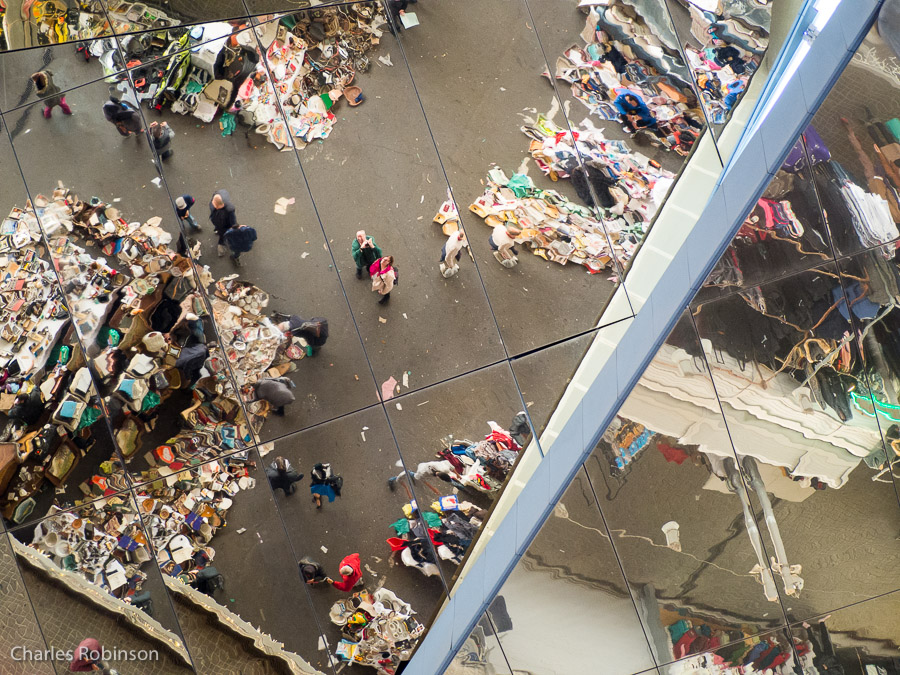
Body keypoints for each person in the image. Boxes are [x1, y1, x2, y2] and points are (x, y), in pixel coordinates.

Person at [209, 190, 237, 257]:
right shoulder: (216, 198)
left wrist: (233, 229)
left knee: (223, 235)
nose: (214, 206)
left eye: (216, 205)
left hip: (224, 227)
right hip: (217, 223)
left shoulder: (229, 211)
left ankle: (221, 244)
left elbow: (233, 222)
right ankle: (217, 230)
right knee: (220, 231)